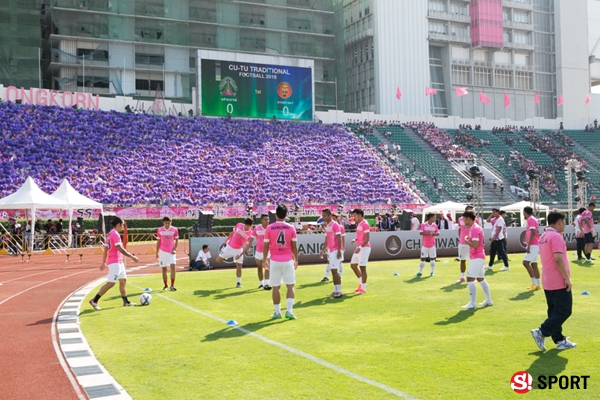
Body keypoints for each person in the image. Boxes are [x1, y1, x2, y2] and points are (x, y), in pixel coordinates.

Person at [531, 209, 576, 351]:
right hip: (557, 280)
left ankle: (559, 340)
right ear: (559, 222)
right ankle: (542, 331)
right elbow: (558, 259)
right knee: (564, 310)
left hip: (548, 279)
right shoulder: (556, 236)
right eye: (564, 222)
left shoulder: (544, 235)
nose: (565, 225)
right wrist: (567, 278)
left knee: (554, 311)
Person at [89, 217, 139, 309]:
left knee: (123, 281)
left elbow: (106, 248)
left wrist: (104, 261)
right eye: (122, 225)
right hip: (115, 262)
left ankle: (125, 301)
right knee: (111, 283)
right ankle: (94, 300)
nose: (123, 228)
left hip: (118, 262)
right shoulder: (115, 234)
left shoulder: (110, 234)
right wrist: (132, 256)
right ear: (118, 224)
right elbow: (119, 248)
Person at [263, 205, 298, 319]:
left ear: (275, 215)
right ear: (286, 215)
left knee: (276, 287)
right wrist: (296, 259)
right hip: (287, 259)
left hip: (274, 260)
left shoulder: (269, 228)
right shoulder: (291, 228)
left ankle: (277, 312)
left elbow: (266, 246)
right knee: (290, 285)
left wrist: (264, 260)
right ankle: (289, 311)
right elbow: (294, 246)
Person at [462, 211, 493, 309]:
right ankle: (488, 300)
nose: (464, 221)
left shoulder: (475, 229)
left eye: (464, 219)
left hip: (477, 256)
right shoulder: (475, 228)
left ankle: (472, 303)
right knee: (481, 279)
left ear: (468, 219)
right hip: (479, 256)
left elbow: (475, 245)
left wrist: (466, 241)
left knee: (470, 279)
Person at [215, 217, 254, 287]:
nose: (248, 227)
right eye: (247, 225)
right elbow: (232, 233)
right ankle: (225, 255)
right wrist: (225, 241)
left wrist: (247, 251)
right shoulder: (239, 225)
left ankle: (238, 283)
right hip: (229, 247)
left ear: (251, 226)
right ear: (244, 224)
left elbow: (248, 245)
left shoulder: (250, 234)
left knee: (239, 266)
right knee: (217, 260)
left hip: (238, 250)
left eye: (249, 226)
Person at [319, 208, 343, 297]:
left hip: (336, 249)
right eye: (322, 216)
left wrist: (339, 250)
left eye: (324, 216)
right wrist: (323, 250)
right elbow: (326, 239)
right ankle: (336, 290)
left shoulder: (335, 225)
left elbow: (339, 237)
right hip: (331, 250)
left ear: (329, 215)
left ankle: (339, 291)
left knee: (334, 270)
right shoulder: (328, 225)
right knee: (333, 271)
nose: (323, 218)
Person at [350, 208, 370, 295]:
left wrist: (360, 247)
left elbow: (367, 238)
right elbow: (361, 236)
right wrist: (356, 239)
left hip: (364, 248)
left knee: (362, 268)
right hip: (359, 247)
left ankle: (363, 288)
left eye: (355, 215)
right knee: (353, 265)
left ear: (360, 215)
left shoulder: (365, 224)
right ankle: (362, 283)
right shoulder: (360, 224)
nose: (354, 217)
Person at [156, 216, 179, 291]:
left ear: (171, 222)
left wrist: (175, 249)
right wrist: (157, 252)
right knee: (164, 268)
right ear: (163, 222)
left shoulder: (174, 229)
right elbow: (158, 241)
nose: (167, 224)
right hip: (162, 251)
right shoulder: (159, 230)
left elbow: (176, 240)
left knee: (173, 266)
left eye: (169, 223)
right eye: (166, 223)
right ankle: (165, 285)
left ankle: (172, 285)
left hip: (171, 251)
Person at [522, 207, 541, 291]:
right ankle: (537, 284)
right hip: (535, 244)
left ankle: (534, 283)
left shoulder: (530, 219)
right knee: (534, 265)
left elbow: (533, 232)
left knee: (525, 263)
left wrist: (528, 245)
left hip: (533, 245)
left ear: (525, 212)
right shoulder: (532, 219)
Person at [251, 214, 271, 290]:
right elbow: (251, 238)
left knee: (267, 267)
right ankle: (261, 284)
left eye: (268, 219)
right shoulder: (257, 228)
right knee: (259, 268)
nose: (267, 221)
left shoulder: (270, 228)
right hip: (258, 251)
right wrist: (248, 247)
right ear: (261, 220)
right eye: (265, 219)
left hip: (268, 251)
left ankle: (266, 284)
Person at [416, 213, 439, 277]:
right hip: (425, 245)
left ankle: (432, 272)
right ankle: (420, 272)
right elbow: (420, 232)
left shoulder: (435, 225)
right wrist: (428, 233)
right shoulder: (423, 224)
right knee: (422, 258)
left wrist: (433, 234)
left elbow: (438, 233)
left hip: (432, 245)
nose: (435, 218)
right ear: (430, 217)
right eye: (434, 217)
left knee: (432, 258)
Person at [456, 206, 474, 283]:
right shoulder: (460, 219)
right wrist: (460, 238)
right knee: (462, 260)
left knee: (472, 260)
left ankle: (472, 276)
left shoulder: (475, 219)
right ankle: (462, 276)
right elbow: (460, 229)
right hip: (463, 242)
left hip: (471, 242)